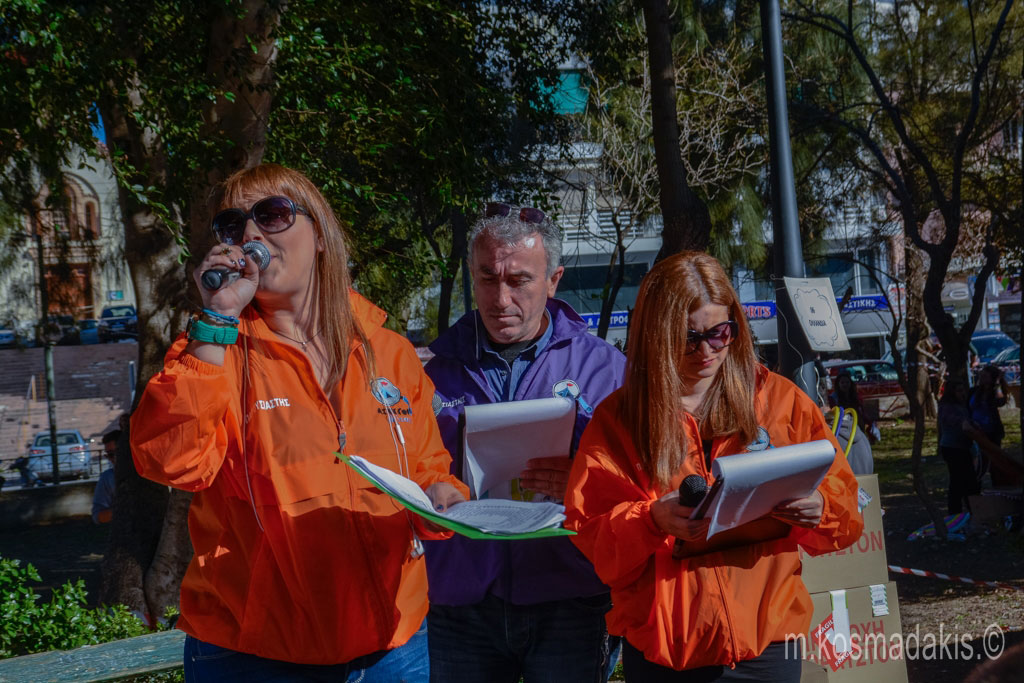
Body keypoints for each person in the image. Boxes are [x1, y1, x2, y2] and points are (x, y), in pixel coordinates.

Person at [130, 164, 468, 681]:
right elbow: (171, 463)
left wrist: (443, 497)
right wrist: (218, 319)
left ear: (322, 235)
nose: (250, 233)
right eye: (233, 225)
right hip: (256, 654)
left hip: (393, 648)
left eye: (272, 214)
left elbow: (426, 467)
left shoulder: (390, 351)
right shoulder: (213, 350)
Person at [564, 251, 863, 681]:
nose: (706, 351)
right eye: (688, 338)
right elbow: (590, 535)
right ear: (654, 336)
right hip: (667, 653)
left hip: (769, 644)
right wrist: (652, 520)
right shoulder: (619, 421)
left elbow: (847, 508)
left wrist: (821, 508)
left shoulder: (779, 400)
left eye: (720, 333)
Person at [423, 202, 627, 683]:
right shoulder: (432, 374)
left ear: (553, 280)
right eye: (488, 279)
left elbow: (644, 478)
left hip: (571, 595)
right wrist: (430, 488)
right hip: (462, 600)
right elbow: (411, 466)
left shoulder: (607, 370)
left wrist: (584, 479)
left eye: (519, 281)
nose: (500, 298)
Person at [937, 378, 982, 513]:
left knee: (969, 481)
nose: (962, 393)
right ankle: (956, 512)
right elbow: (960, 423)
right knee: (958, 482)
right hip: (953, 448)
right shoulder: (947, 407)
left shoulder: (961, 406)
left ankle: (973, 510)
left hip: (963, 447)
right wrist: (971, 427)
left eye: (963, 390)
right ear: (952, 392)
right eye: (959, 391)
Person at [970, 364, 1010, 486]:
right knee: (978, 462)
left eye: (985, 376)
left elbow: (1000, 401)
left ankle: (998, 485)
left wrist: (997, 384)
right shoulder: (974, 392)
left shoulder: (994, 392)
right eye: (981, 375)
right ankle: (975, 486)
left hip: (992, 432)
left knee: (994, 462)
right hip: (975, 432)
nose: (982, 378)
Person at [92, 429, 120, 524]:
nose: (112, 459)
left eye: (114, 453)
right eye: (109, 455)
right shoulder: (108, 477)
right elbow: (97, 515)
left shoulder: (148, 472)